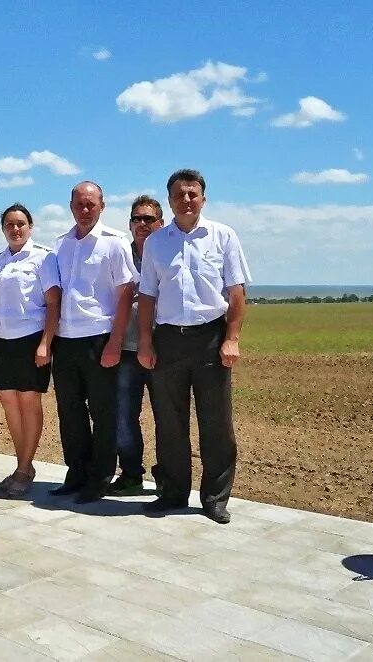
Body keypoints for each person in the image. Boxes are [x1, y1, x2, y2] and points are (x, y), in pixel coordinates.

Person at [137, 169, 251, 524]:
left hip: (210, 338)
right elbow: (147, 295)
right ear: (169, 200)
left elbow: (236, 293)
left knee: (215, 422)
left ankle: (215, 498)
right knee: (169, 422)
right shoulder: (157, 242)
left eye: (193, 193)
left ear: (203, 198)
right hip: (168, 339)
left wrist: (231, 338)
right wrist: (145, 341)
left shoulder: (223, 236)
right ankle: (172, 492)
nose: (186, 199)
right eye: (179, 194)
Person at [50, 181, 136, 504]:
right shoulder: (61, 245)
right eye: (79, 204)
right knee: (69, 412)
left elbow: (126, 295)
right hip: (66, 340)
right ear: (71, 206)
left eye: (91, 204)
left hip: (99, 339)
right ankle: (76, 473)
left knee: (103, 413)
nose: (85, 210)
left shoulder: (114, 244)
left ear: (102, 206)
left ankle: (100, 477)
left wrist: (115, 343)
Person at [0, 203, 60, 497]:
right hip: (1, 339)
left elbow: (54, 303)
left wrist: (46, 343)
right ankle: (24, 465)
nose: (15, 229)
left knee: (29, 403)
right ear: (3, 228)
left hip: (31, 339)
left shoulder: (43, 258)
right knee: (9, 403)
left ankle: (24, 467)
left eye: (20, 224)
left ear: (30, 227)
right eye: (9, 225)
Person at [110, 195, 165, 495]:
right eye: (137, 219)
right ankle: (131, 473)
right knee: (123, 415)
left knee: (167, 415)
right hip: (126, 348)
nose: (142, 224)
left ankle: (166, 474)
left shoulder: (169, 253)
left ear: (161, 222)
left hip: (166, 347)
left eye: (149, 219)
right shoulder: (120, 253)